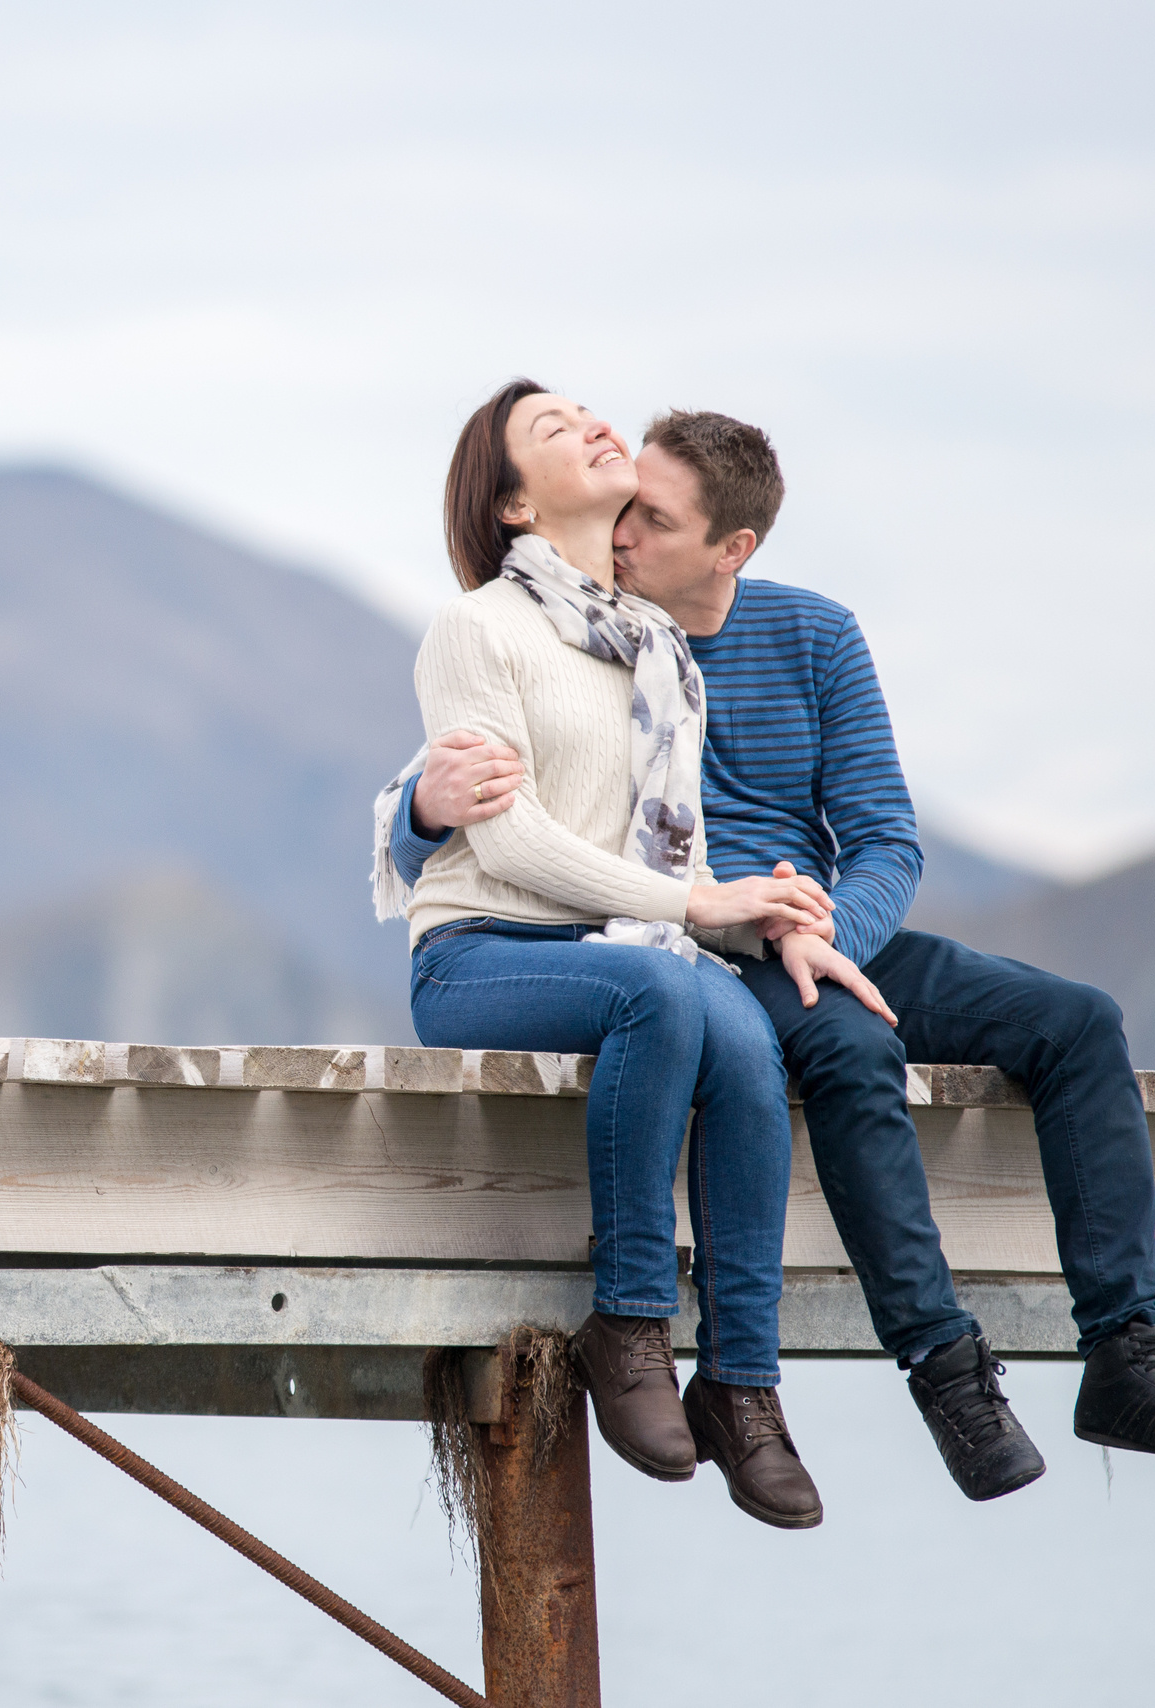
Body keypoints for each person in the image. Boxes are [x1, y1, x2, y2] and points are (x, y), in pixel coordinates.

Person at [391, 404, 1155, 1501]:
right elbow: (493, 785)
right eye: (620, 513)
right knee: (847, 1051)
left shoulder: (805, 633)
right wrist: (416, 815)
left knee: (1078, 1019)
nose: (621, 539)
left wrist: (827, 935)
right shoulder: (594, 630)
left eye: (648, 521)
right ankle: (948, 1375)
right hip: (703, 934)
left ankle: (1128, 1356)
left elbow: (886, 835)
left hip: (820, 933)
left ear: (731, 547)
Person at [380, 379, 897, 1528]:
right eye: (553, 432)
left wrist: (756, 909)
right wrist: (692, 899)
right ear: (514, 505)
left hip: (623, 956)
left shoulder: (650, 641)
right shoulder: (477, 626)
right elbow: (509, 839)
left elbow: (670, 838)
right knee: (670, 988)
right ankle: (628, 1326)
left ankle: (744, 1386)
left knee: (743, 1029)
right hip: (481, 950)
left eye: (586, 410)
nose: (593, 426)